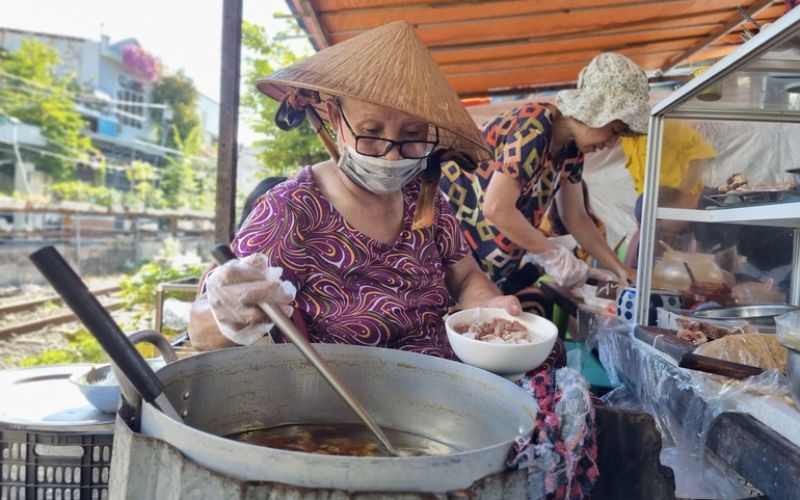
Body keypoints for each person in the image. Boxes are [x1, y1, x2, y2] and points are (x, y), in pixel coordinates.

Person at [187, 21, 599, 498]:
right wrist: (225, 310)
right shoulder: (290, 209)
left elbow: (464, 274)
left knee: (555, 370)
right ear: (332, 117)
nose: (390, 153)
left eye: (411, 137)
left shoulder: (428, 201)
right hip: (348, 400)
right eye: (370, 133)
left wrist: (491, 307)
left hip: (440, 386)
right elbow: (204, 332)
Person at [439, 53, 646, 315]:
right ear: (595, 110)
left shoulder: (572, 151)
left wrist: (618, 269)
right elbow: (496, 208)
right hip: (454, 259)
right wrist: (553, 255)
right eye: (615, 130)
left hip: (485, 267)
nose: (611, 143)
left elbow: (577, 217)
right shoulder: (534, 126)